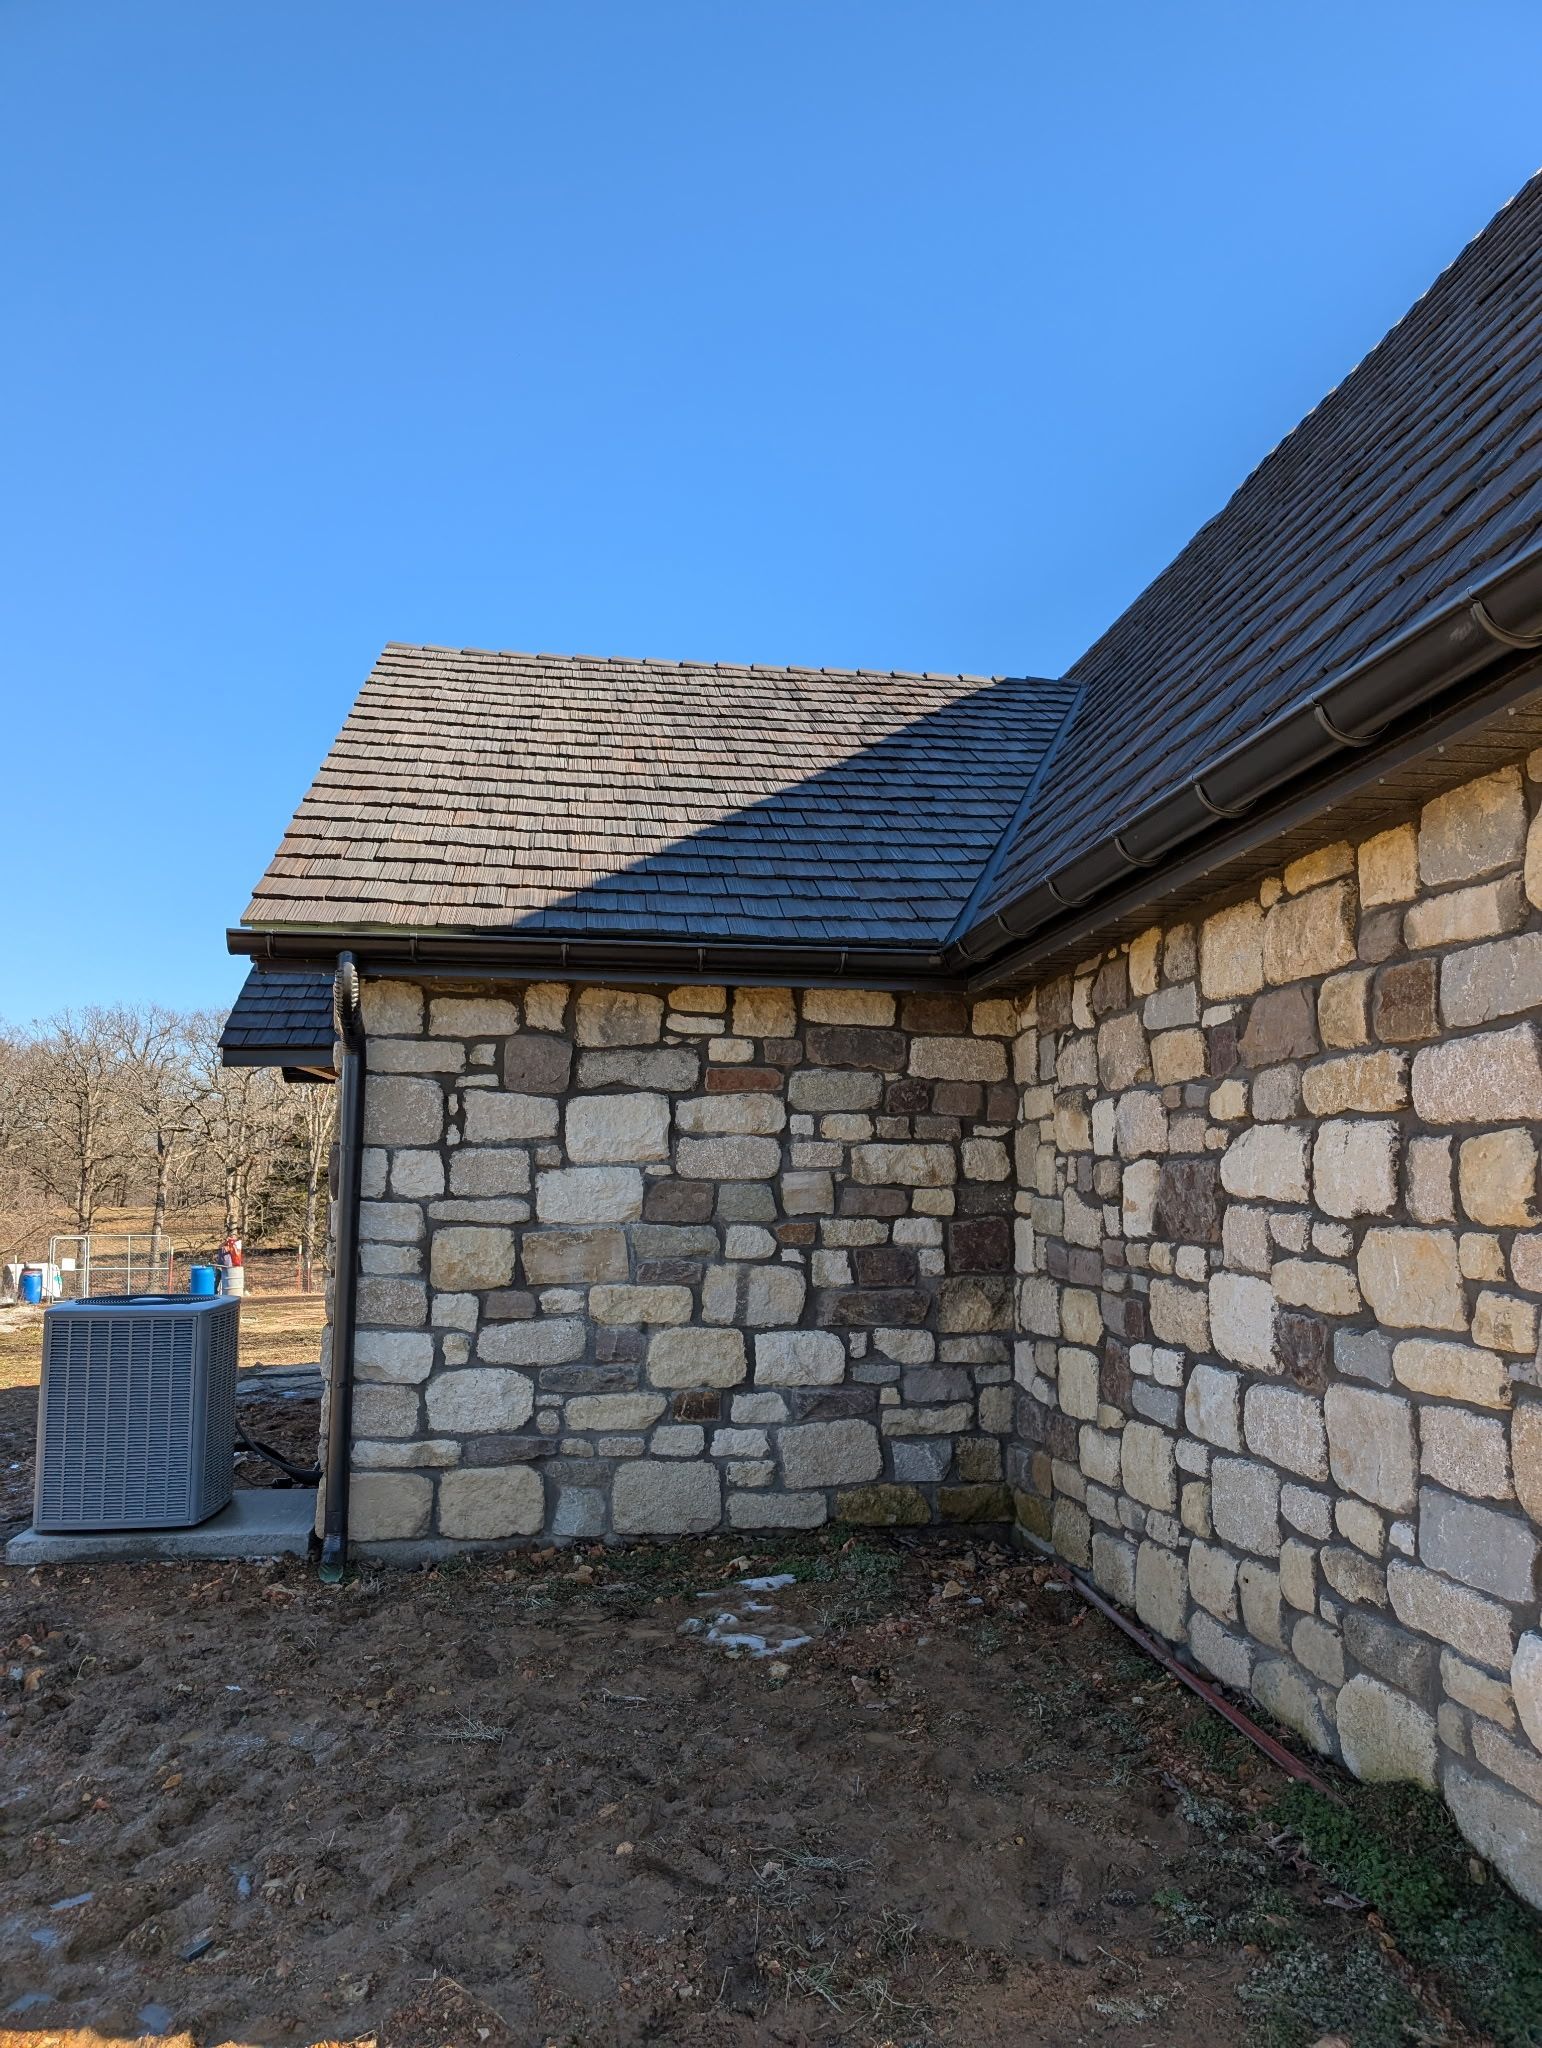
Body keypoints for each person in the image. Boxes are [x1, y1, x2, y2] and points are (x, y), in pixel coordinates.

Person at [218, 1233, 246, 1298]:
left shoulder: (235, 1246)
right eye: (231, 1237)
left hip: (229, 1265)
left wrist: (233, 1244)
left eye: (234, 1238)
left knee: (227, 1280)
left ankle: (225, 1293)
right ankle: (217, 1293)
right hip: (220, 1265)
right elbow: (219, 1246)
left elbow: (236, 1255)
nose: (232, 1239)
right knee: (218, 1279)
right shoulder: (224, 1245)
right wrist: (227, 1241)